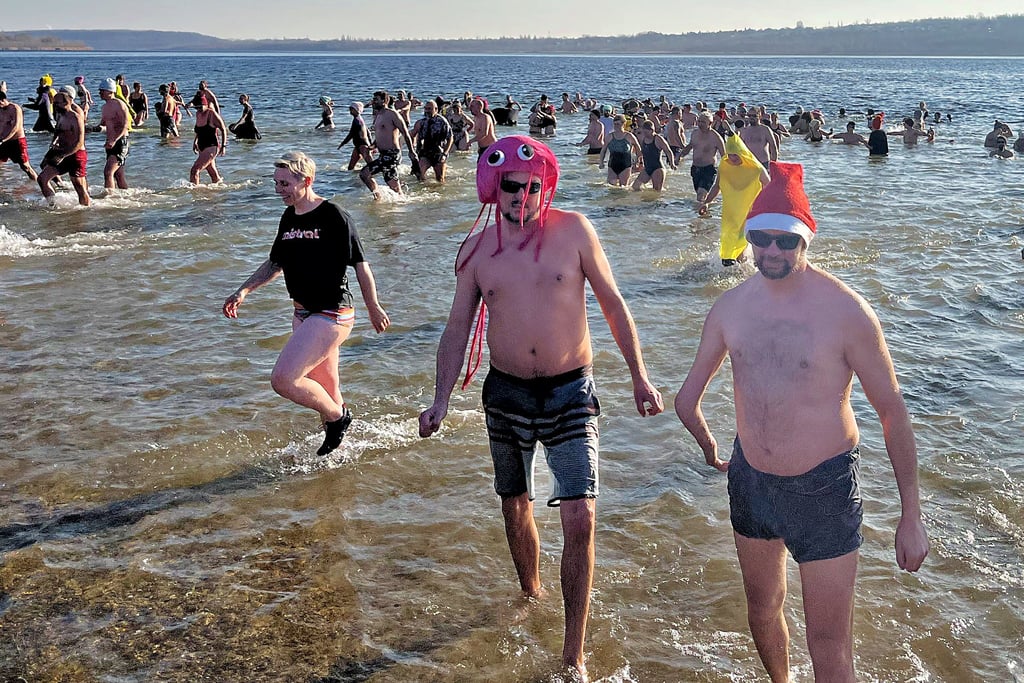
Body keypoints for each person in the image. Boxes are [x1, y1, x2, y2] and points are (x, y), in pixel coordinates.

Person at [418, 136, 663, 681]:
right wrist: (439, 397)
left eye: (532, 188)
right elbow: (457, 328)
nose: (522, 198)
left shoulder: (573, 231)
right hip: (505, 393)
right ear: (492, 187)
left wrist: (639, 376)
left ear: (544, 185)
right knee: (515, 505)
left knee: (580, 516)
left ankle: (573, 651)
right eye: (511, 188)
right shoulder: (477, 252)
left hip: (571, 390)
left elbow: (613, 302)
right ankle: (530, 594)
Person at [675, 161, 929, 683]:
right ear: (748, 237)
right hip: (751, 482)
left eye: (785, 241)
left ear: (805, 240)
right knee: (762, 613)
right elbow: (685, 400)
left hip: (825, 487)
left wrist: (911, 515)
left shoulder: (846, 313)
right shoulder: (729, 308)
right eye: (761, 239)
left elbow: (892, 412)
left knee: (830, 647)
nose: (771, 251)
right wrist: (713, 452)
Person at [223, 151, 390, 456]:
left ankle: (339, 420)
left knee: (284, 380)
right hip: (302, 313)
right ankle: (342, 456)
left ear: (307, 180)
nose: (279, 189)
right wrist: (243, 291)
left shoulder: (334, 215)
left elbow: (361, 265)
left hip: (332, 313)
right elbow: (275, 263)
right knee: (327, 389)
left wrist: (374, 306)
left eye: (285, 183)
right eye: (276, 183)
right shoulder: (288, 218)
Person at [697, 133, 770, 266]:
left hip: (750, 211)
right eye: (729, 154)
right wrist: (706, 203)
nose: (732, 158)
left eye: (735, 154)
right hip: (730, 212)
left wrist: (765, 207)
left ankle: (743, 270)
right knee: (728, 243)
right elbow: (717, 186)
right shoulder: (724, 166)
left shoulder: (756, 169)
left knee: (742, 239)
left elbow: (769, 187)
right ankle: (731, 269)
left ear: (742, 153)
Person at [359, 90, 417, 198]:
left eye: (376, 100)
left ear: (384, 100)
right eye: (373, 99)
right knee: (393, 186)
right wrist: (372, 146)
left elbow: (405, 133)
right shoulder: (378, 116)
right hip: (383, 154)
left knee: (364, 173)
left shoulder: (392, 114)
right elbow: (380, 135)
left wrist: (411, 151)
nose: (373, 102)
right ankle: (401, 202)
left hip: (392, 154)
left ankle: (378, 197)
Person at [37, 89, 90, 206]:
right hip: (61, 151)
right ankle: (53, 205)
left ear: (67, 103)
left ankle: (86, 210)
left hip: (75, 154)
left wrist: (63, 155)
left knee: (79, 186)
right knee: (42, 179)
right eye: (53, 103)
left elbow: (79, 142)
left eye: (56, 103)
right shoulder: (60, 116)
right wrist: (53, 144)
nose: (54, 105)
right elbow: (58, 131)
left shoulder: (75, 117)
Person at [94, 77, 132, 191]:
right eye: (99, 90)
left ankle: (109, 198)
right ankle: (126, 195)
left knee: (108, 172)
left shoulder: (119, 104)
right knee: (118, 175)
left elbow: (125, 125)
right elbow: (104, 126)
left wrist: (114, 140)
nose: (99, 93)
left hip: (120, 142)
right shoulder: (105, 107)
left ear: (110, 91)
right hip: (110, 143)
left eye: (102, 91)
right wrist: (90, 129)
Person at [682, 112, 726, 204]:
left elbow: (724, 156)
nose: (700, 124)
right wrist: (679, 157)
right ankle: (707, 209)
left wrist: (726, 172)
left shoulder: (716, 137)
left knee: (700, 195)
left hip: (708, 169)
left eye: (703, 122)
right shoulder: (695, 133)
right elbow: (690, 146)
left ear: (710, 123)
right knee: (700, 195)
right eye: (699, 121)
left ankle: (700, 217)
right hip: (695, 169)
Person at [0, 90, 39, 182]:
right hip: (3, 141)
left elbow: (16, 127)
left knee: (25, 167)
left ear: (2, 100)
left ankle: (38, 184)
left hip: (16, 141)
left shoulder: (15, 108)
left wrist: (4, 139)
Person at [411, 99, 454, 182]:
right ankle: (424, 191)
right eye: (426, 108)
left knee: (440, 179)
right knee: (420, 175)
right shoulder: (421, 122)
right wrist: (413, 149)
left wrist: (445, 154)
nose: (427, 111)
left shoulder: (442, 122)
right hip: (425, 152)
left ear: (436, 109)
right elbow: (413, 135)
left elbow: (450, 138)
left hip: (438, 152)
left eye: (430, 109)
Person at [189, 94, 227, 184]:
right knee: (213, 174)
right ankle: (219, 190)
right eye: (197, 107)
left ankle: (195, 194)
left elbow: (223, 129)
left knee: (195, 170)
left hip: (211, 146)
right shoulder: (198, 114)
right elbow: (199, 131)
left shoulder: (211, 114)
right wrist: (195, 142)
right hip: (201, 146)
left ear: (206, 104)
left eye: (201, 106)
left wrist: (223, 145)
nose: (200, 109)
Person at [632, 120, 677, 191]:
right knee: (635, 187)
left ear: (652, 130)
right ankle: (643, 200)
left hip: (657, 168)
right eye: (644, 132)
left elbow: (668, 151)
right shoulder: (643, 139)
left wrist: (672, 163)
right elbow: (642, 152)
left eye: (646, 132)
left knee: (656, 190)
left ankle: (657, 201)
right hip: (647, 168)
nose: (645, 134)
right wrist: (637, 162)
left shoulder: (658, 139)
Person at [598, 115, 641, 187]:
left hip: (625, 165)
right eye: (615, 124)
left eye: (618, 124)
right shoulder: (609, 136)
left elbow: (638, 149)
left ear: (623, 124)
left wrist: (637, 161)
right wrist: (601, 162)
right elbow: (603, 150)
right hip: (612, 165)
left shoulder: (629, 136)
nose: (616, 126)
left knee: (623, 188)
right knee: (611, 187)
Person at [337, 102, 372, 170]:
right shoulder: (359, 119)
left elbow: (351, 134)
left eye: (352, 109)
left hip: (363, 146)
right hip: (358, 146)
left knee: (371, 165)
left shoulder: (357, 121)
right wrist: (370, 143)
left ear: (357, 110)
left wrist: (343, 143)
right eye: (350, 109)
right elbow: (368, 132)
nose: (350, 111)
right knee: (350, 167)